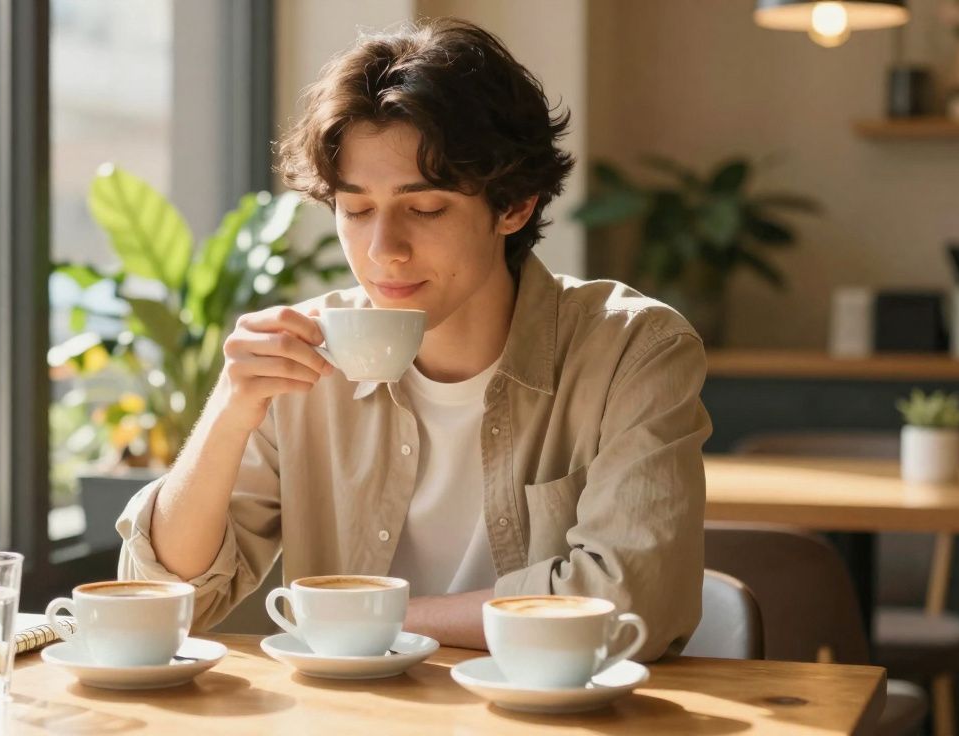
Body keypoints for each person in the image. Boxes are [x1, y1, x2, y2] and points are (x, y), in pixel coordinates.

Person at [117, 17, 710, 659]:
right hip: (352, 709)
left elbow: (630, 601)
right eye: (356, 210)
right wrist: (228, 415)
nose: (384, 250)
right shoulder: (300, 354)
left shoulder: (631, 350)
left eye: (424, 208)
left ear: (514, 205)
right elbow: (166, 599)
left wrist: (367, 618)